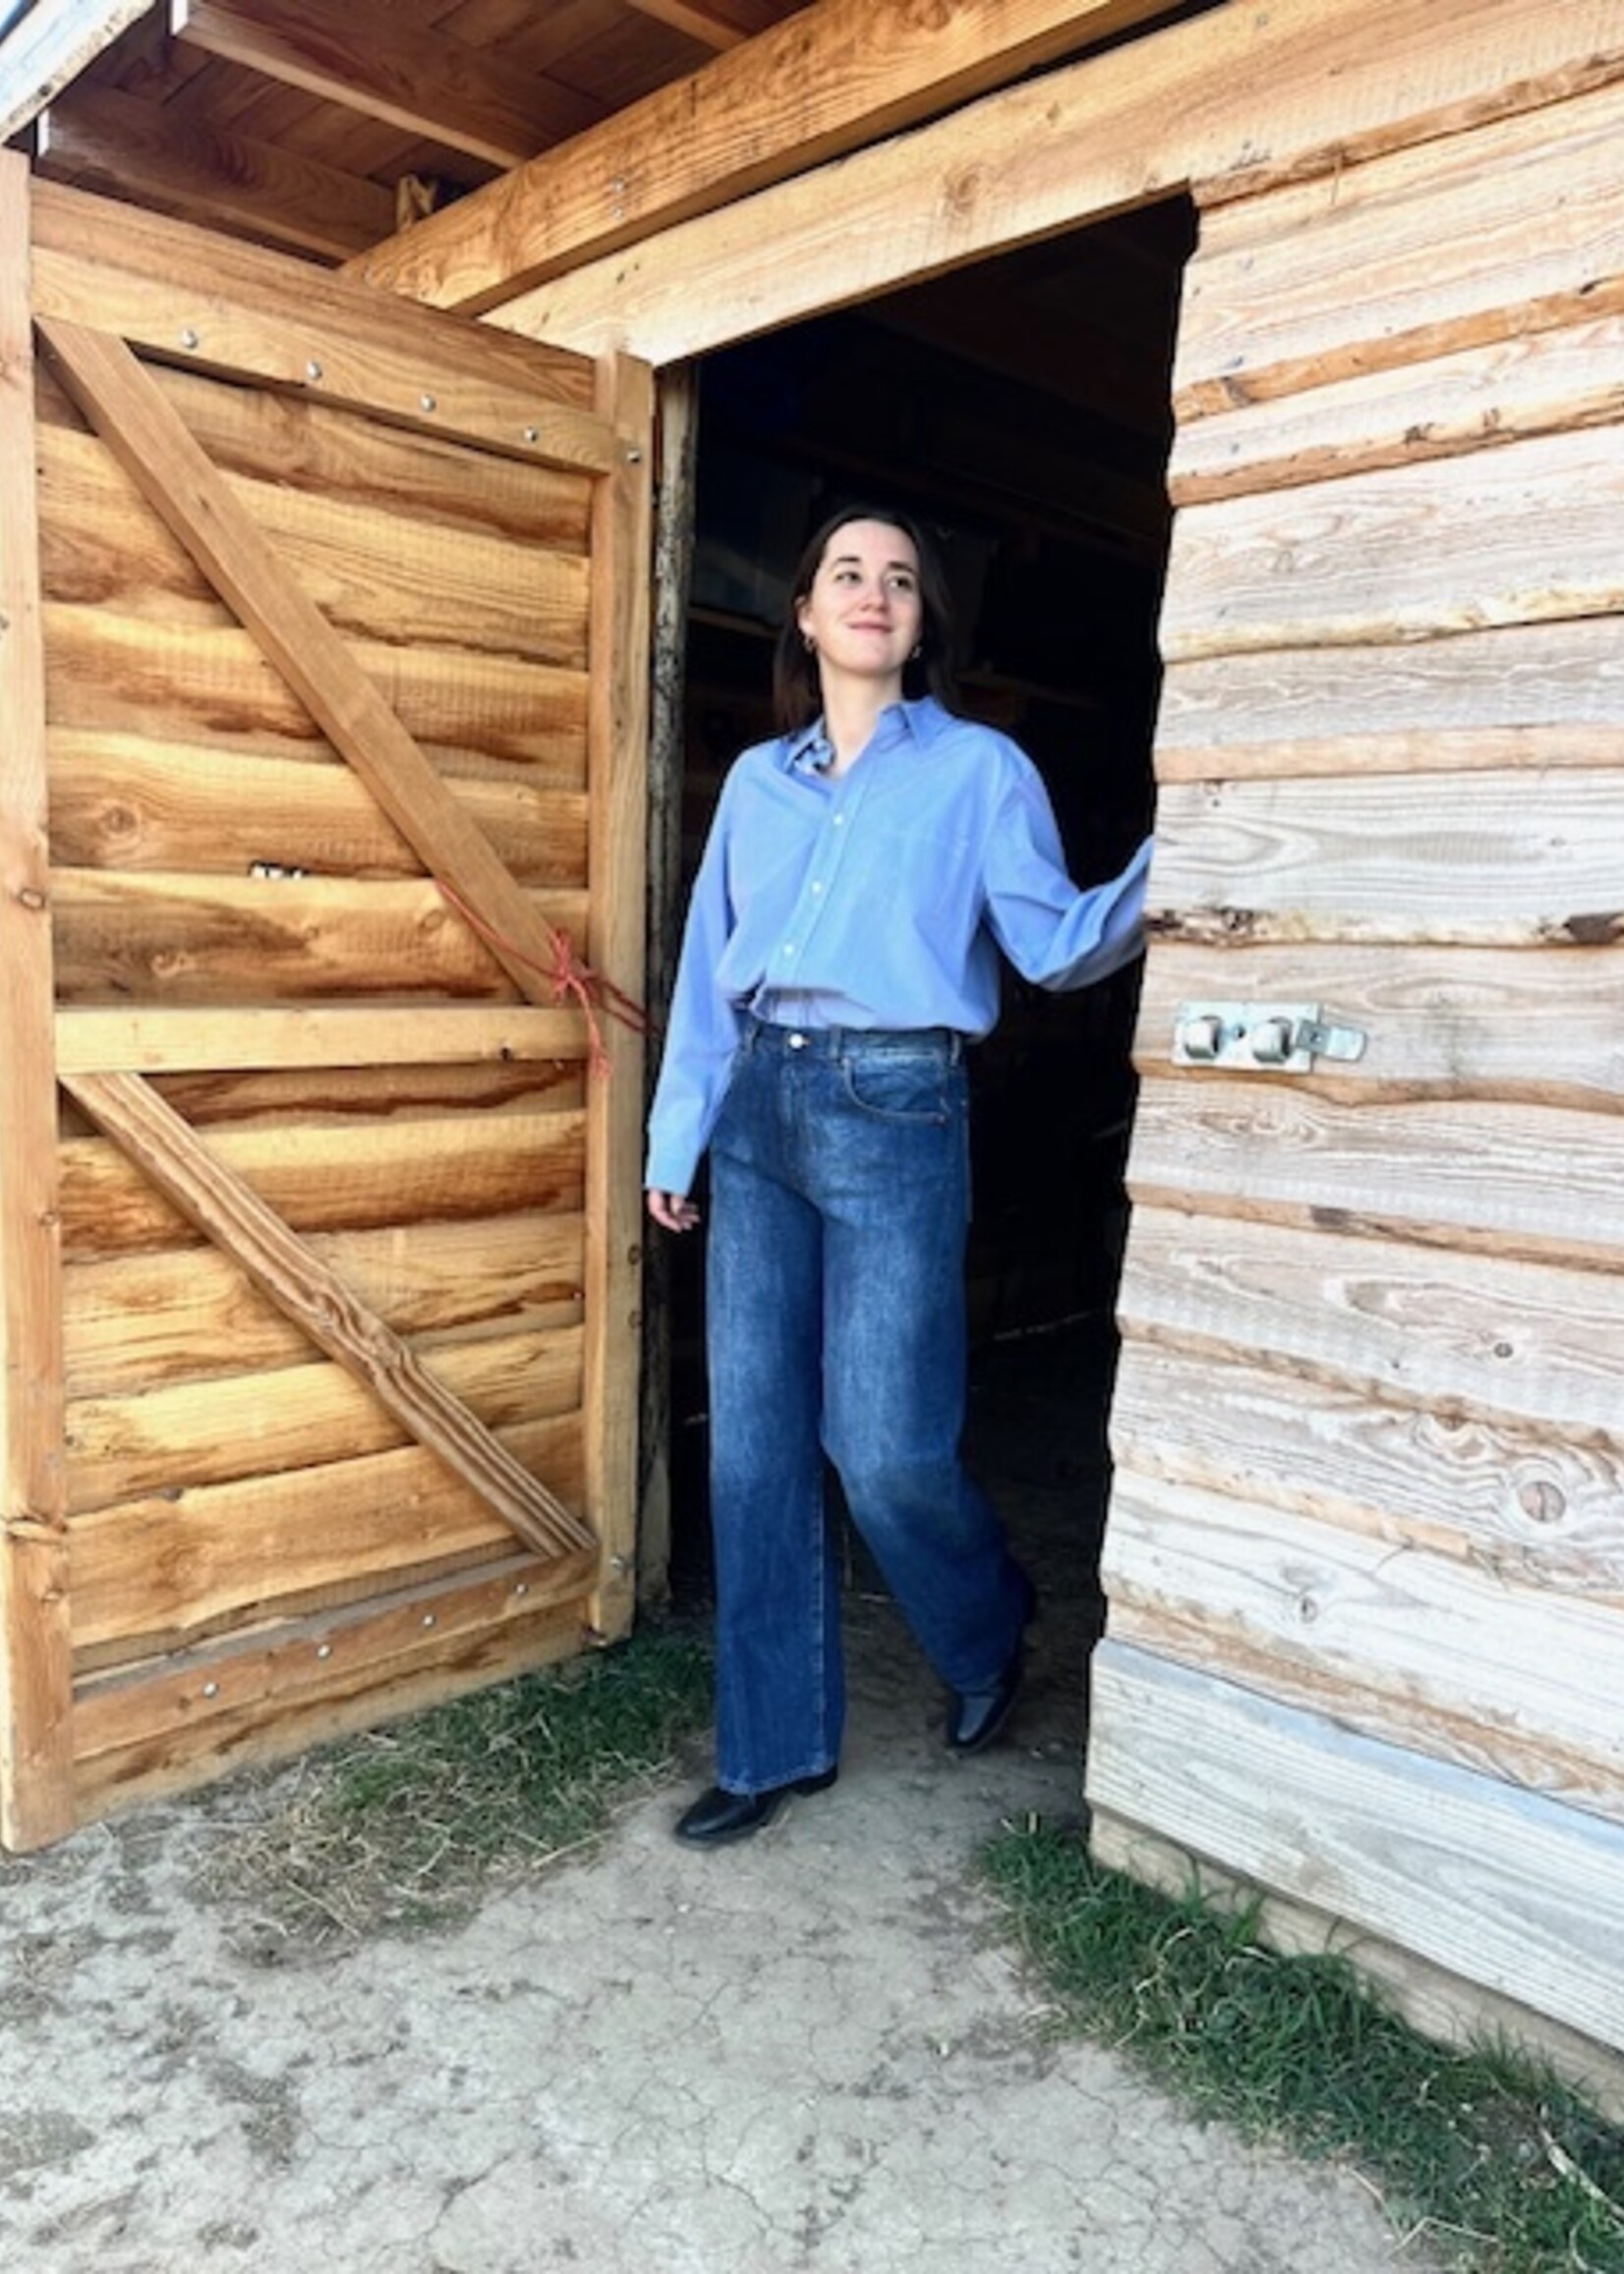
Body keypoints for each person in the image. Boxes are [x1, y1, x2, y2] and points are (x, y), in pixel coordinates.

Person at [646, 503, 1151, 1846]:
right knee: (751, 1451)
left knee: (883, 1448)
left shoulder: (980, 771)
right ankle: (770, 1746)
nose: (875, 593)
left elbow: (1052, 943)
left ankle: (988, 1628)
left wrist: (1178, 861)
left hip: (900, 1105)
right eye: (847, 574)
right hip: (757, 1105)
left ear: (923, 627)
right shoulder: (759, 784)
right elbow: (710, 969)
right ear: (804, 614)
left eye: (903, 579)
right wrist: (675, 1137)